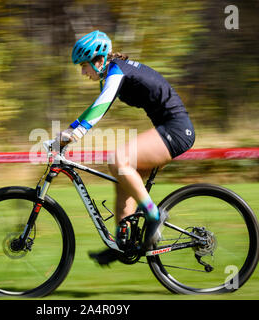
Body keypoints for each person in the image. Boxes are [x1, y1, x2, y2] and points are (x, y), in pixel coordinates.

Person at [57, 30, 195, 266]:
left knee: (118, 158)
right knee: (123, 182)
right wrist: (71, 129)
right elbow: (96, 106)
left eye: (83, 66)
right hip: (168, 127)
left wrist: (74, 133)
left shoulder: (116, 71)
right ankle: (123, 246)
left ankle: (154, 214)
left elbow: (101, 106)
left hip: (176, 129)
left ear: (99, 60)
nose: (82, 72)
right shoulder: (115, 70)